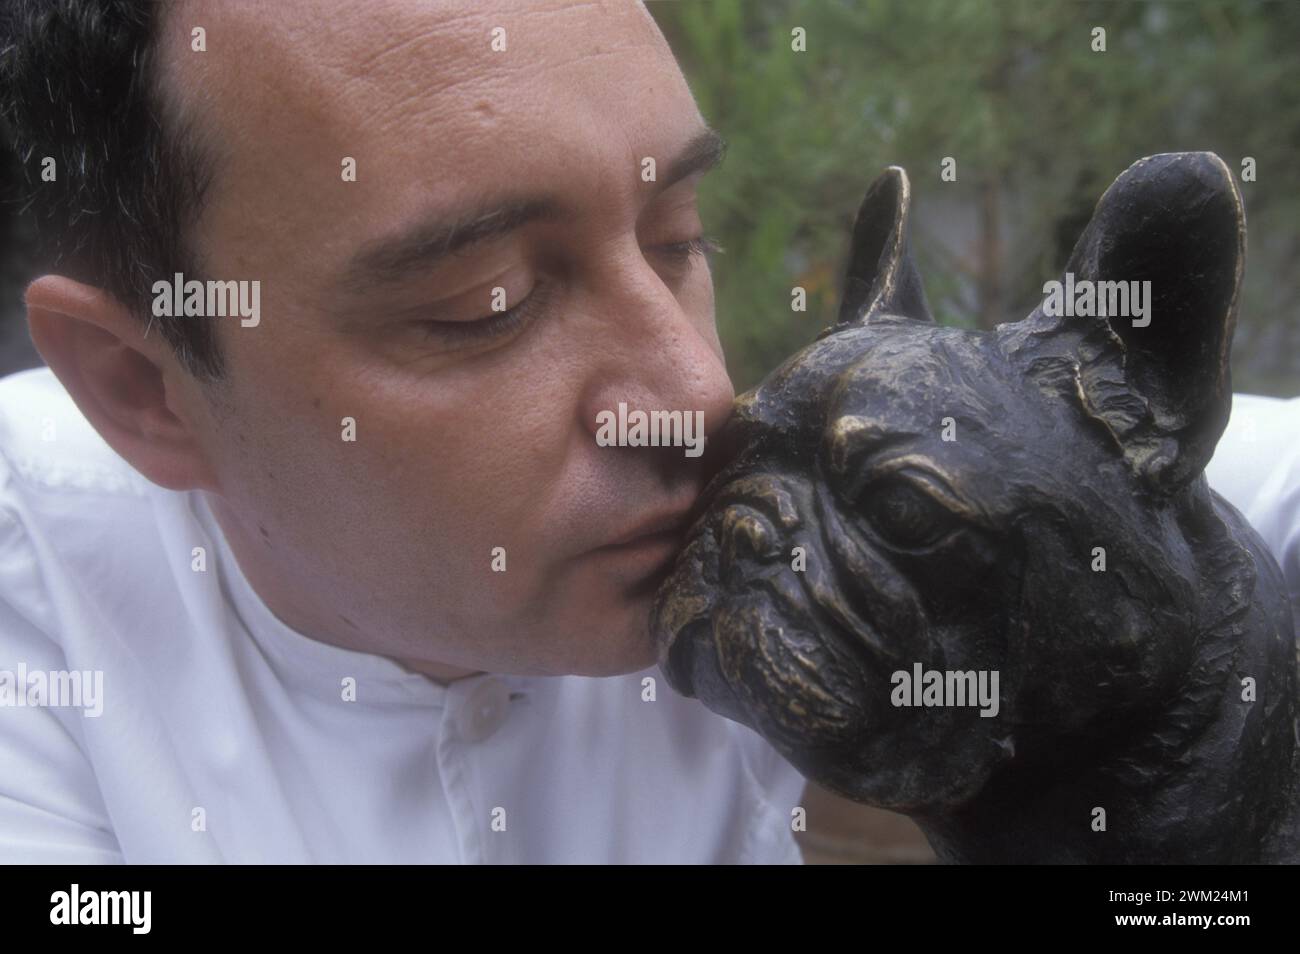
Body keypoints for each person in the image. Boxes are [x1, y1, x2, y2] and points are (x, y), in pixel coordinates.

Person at [0, 0, 804, 864]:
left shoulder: (799, 555)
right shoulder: (35, 599)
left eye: (679, 239)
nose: (700, 398)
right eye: (488, 302)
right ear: (144, 389)